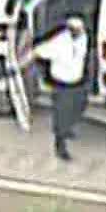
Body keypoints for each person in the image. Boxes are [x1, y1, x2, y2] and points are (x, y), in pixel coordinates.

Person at [34, 16, 89, 161]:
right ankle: (60, 145)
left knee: (79, 106)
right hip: (63, 84)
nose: (78, 32)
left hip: (77, 81)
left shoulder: (83, 37)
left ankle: (68, 129)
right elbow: (40, 51)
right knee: (62, 115)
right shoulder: (59, 42)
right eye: (75, 30)